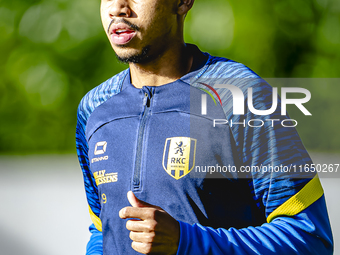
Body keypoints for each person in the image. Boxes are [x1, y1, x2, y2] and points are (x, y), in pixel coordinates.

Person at [75, 0, 333, 254]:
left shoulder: (240, 97)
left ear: (183, 2)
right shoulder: (94, 109)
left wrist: (187, 241)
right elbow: (102, 230)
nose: (117, 7)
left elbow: (310, 237)